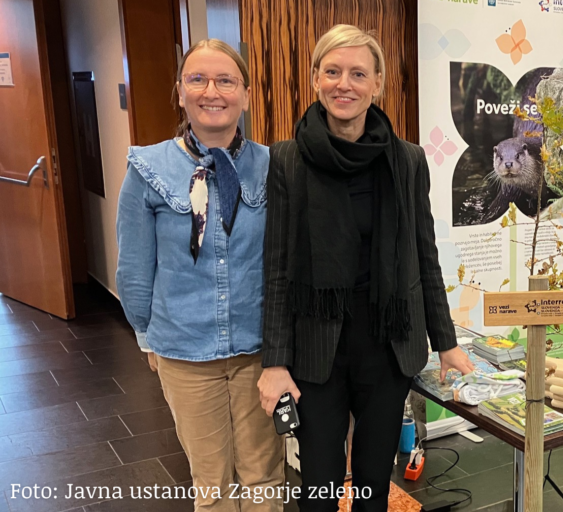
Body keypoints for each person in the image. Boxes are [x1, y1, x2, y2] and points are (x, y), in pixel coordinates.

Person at [256, 25, 474, 512]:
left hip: (386, 342)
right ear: (315, 78)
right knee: (319, 487)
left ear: (377, 83)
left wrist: (446, 342)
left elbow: (424, 255)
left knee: (374, 485)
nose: (344, 84)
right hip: (317, 347)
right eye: (332, 72)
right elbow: (277, 267)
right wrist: (275, 361)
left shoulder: (407, 160)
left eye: (358, 73)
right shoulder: (288, 159)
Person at [116, 39, 284, 511]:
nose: (212, 91)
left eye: (226, 80)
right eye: (198, 79)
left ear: (245, 94)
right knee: (211, 485)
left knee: (264, 477)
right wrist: (147, 336)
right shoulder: (147, 169)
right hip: (185, 352)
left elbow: (286, 262)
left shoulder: (273, 166)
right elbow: (134, 268)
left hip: (259, 352)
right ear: (180, 92)